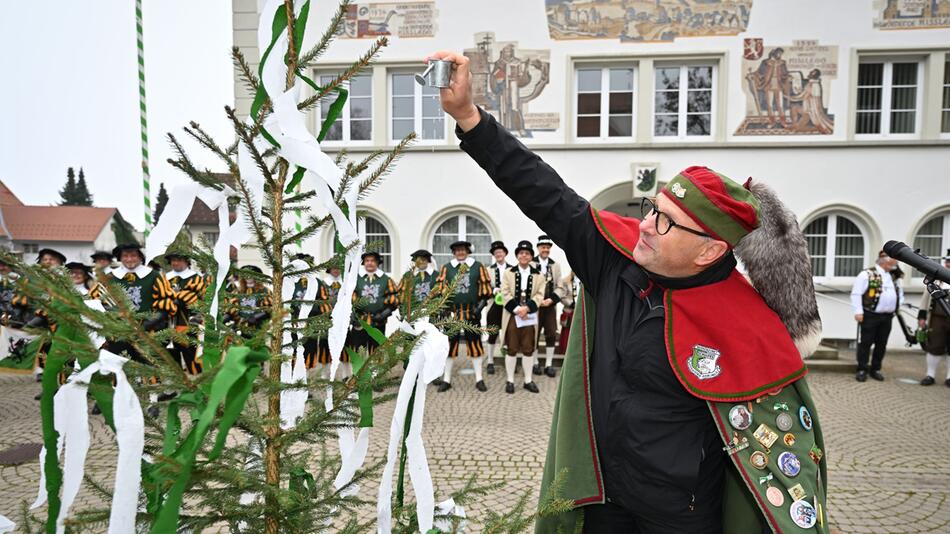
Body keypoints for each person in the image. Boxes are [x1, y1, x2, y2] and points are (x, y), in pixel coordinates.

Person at [432, 50, 828, 533]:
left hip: (679, 518)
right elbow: (545, 193)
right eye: (651, 207)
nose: (644, 225)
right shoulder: (614, 261)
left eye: (664, 221)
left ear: (709, 250)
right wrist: (470, 118)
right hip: (601, 504)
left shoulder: (747, 323)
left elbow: (781, 462)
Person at [434, 240, 492, 392]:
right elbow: (439, 291)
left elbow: (486, 290)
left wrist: (479, 308)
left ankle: (479, 379)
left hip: (471, 312)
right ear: (454, 253)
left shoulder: (478, 266)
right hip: (451, 314)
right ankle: (446, 379)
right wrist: (442, 309)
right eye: (457, 250)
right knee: (449, 345)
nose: (460, 252)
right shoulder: (446, 268)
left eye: (463, 250)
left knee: (475, 344)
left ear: (468, 251)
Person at [850, 251, 904, 382]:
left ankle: (876, 369)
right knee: (866, 343)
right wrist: (858, 312)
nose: (895, 266)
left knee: (882, 343)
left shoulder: (893, 276)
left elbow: (900, 293)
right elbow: (856, 294)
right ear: (885, 262)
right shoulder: (866, 274)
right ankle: (862, 369)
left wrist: (897, 304)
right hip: (870, 315)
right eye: (893, 264)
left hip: (887, 316)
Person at [499, 240, 544, 394]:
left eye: (527, 253)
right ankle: (510, 380)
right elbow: (504, 293)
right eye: (521, 253)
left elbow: (540, 294)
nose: (524, 255)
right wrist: (518, 309)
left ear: (531, 256)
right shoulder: (508, 273)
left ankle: (528, 380)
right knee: (511, 348)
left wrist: (528, 308)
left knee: (528, 348)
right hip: (513, 316)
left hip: (530, 317)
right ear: (517, 255)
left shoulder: (539, 275)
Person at [346, 251, 398, 378]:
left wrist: (384, 313)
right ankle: (361, 378)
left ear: (377, 263)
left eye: (372, 260)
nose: (369, 263)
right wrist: (352, 315)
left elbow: (394, 298)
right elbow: (348, 298)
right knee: (360, 350)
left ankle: (375, 378)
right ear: (363, 263)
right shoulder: (355, 279)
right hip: (360, 320)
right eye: (367, 260)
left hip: (377, 320)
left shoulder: (386, 279)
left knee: (377, 350)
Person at [165, 250, 207, 375]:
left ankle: (196, 381)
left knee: (191, 355)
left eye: (179, 260)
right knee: (171, 357)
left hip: (188, 322)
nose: (175, 263)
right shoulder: (165, 278)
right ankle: (175, 387)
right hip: (167, 323)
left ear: (186, 262)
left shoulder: (196, 278)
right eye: (173, 260)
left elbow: (203, 301)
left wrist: (187, 303)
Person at [532, 235, 566, 377]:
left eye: (547, 247)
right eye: (543, 247)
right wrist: (536, 300)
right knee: (533, 333)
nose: (545, 249)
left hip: (550, 305)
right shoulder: (532, 264)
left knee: (551, 333)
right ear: (538, 248)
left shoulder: (555, 265)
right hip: (535, 305)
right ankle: (534, 363)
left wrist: (551, 300)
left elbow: (560, 287)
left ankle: (548, 364)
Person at [919, 249, 950, 386]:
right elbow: (925, 299)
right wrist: (922, 317)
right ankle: (930, 375)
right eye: (947, 261)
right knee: (934, 346)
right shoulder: (936, 278)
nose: (948, 264)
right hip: (937, 319)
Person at [485, 240, 511, 375]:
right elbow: (484, 286)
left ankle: (507, 359)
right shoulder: (488, 270)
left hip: (508, 306)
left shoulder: (513, 268)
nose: (498, 254)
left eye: (500, 252)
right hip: (493, 305)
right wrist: (493, 290)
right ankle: (490, 361)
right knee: (492, 333)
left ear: (505, 253)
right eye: (496, 253)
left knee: (507, 333)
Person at [229, 265, 272, 337]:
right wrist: (228, 315)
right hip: (240, 328)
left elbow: (270, 308)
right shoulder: (238, 291)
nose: (248, 277)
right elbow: (231, 307)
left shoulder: (265, 291)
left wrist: (257, 317)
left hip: (257, 328)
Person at [398, 249, 440, 315]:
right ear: (415, 261)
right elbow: (401, 295)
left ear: (428, 260)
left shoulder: (436, 275)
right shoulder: (408, 276)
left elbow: (440, 295)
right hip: (412, 314)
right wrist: (403, 312)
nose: (421, 262)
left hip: (431, 313)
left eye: (424, 259)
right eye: (419, 260)